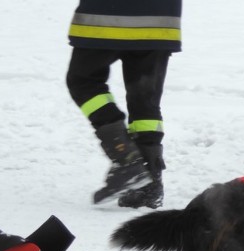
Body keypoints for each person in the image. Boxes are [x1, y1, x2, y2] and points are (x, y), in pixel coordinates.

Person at [66, 0, 183, 209]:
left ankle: (126, 158)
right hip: (162, 20)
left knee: (83, 81)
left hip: (107, 17)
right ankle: (149, 181)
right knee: (145, 100)